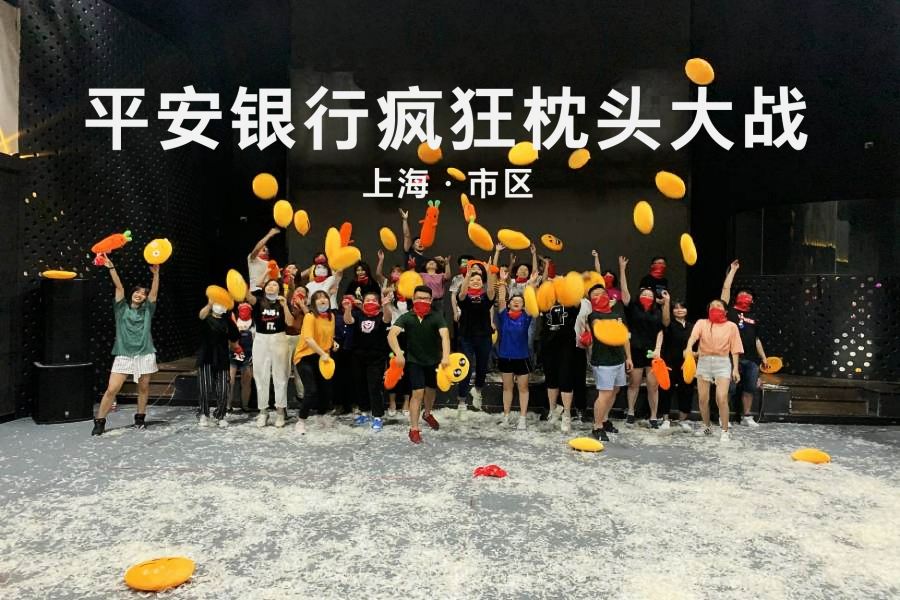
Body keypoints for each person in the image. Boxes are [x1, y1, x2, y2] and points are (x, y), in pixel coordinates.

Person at [91, 259, 160, 436]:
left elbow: (154, 294)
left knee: (143, 388)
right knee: (112, 389)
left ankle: (140, 418)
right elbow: (119, 287)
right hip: (124, 354)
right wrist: (111, 267)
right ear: (132, 294)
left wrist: (156, 275)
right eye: (137, 291)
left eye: (143, 293)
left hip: (145, 353)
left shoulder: (147, 310)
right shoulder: (121, 308)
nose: (140, 294)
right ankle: (100, 422)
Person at [387, 285, 451, 444]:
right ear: (413, 299)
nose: (422, 301)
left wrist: (445, 356)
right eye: (419, 298)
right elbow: (391, 335)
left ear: (431, 300)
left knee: (431, 390)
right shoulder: (406, 317)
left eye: (425, 298)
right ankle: (414, 429)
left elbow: (445, 336)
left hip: (433, 361)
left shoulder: (437, 317)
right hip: (414, 360)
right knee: (417, 392)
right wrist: (398, 353)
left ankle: (427, 414)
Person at [620, 255, 670, 428]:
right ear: (639, 295)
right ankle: (631, 412)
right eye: (644, 294)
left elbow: (664, 326)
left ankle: (653, 416)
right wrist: (622, 269)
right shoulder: (632, 307)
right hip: (635, 349)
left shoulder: (657, 311)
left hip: (653, 351)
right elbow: (624, 292)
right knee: (634, 383)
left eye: (650, 295)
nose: (647, 296)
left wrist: (667, 303)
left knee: (653, 385)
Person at [683, 300, 743, 442]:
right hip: (704, 361)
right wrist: (689, 347)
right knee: (703, 399)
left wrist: (735, 369)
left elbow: (735, 349)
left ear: (725, 311)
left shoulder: (731, 326)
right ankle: (707, 427)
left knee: (721, 398)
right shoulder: (701, 323)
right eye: (712, 306)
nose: (715, 308)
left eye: (718, 306)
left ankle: (725, 431)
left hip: (722, 363)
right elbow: (693, 337)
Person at [722, 259, 768, 427]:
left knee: (750, 388)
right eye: (742, 294)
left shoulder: (754, 317)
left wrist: (764, 357)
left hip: (751, 358)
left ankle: (746, 416)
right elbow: (726, 289)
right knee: (730, 388)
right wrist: (733, 270)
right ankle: (723, 415)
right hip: (731, 357)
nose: (745, 297)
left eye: (748, 296)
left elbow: (757, 339)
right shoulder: (728, 311)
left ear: (752, 300)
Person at [246, 277, 295, 428]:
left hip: (279, 338)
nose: (271, 287)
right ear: (264, 288)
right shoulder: (258, 301)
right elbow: (247, 295)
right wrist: (244, 283)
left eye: (275, 285)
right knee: (261, 376)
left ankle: (280, 412)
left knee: (281, 376)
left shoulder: (283, 302)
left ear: (279, 289)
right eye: (269, 285)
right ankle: (263, 412)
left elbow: (290, 322)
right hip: (261, 339)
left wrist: (285, 305)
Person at [584, 284, 631, 441]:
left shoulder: (617, 314)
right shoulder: (593, 316)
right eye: (595, 295)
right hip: (603, 361)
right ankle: (597, 426)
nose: (600, 297)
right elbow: (598, 328)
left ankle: (604, 419)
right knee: (604, 394)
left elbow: (625, 337)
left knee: (615, 390)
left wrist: (628, 357)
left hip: (619, 359)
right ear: (591, 300)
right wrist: (613, 325)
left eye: (602, 293)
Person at [540, 261, 581, 433]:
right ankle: (553, 410)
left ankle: (566, 414)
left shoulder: (571, 303)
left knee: (565, 380)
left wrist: (568, 283)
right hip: (548, 345)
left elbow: (577, 295)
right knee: (551, 379)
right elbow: (541, 288)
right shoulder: (546, 303)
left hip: (566, 346)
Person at [344, 289, 393, 431]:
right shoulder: (358, 314)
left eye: (373, 300)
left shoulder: (381, 315)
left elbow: (388, 319)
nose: (370, 302)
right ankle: (364, 412)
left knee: (374, 386)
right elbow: (348, 320)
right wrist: (348, 309)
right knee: (360, 384)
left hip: (376, 357)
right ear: (363, 302)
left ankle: (377, 416)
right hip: (358, 356)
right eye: (367, 300)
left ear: (378, 302)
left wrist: (386, 305)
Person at [455, 261, 497, 417]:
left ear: (482, 282)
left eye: (478, 279)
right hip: (466, 337)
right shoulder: (464, 298)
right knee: (466, 368)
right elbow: (461, 294)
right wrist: (467, 276)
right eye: (472, 279)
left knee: (482, 367)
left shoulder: (486, 297)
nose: (475, 281)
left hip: (484, 336)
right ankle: (461, 401)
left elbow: (491, 290)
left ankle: (478, 390)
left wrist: (489, 272)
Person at [293, 290, 337, 434]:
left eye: (325, 297)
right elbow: (308, 339)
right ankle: (301, 421)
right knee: (311, 390)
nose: (322, 300)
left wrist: (333, 343)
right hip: (305, 357)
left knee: (327, 390)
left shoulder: (331, 317)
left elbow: (329, 336)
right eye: (318, 298)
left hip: (322, 357)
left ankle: (321, 415)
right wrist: (323, 353)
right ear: (313, 303)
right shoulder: (310, 316)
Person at [495, 277, 534, 430]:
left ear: (524, 305)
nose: (517, 302)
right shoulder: (503, 315)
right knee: (507, 388)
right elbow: (501, 299)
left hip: (522, 357)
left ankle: (522, 418)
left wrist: (530, 285)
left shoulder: (526, 316)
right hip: (505, 357)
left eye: (520, 301)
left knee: (523, 388)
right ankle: (506, 416)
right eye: (514, 300)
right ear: (509, 304)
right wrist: (502, 282)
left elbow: (531, 299)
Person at [196, 298, 240, 428]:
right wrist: (209, 304)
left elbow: (235, 337)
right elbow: (201, 316)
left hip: (222, 358)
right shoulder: (206, 317)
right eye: (217, 303)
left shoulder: (227, 321)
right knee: (204, 387)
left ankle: (220, 415)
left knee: (223, 389)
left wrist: (232, 320)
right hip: (206, 357)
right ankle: (203, 414)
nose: (220, 306)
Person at [659, 299, 695, 432]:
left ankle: (683, 420)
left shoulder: (693, 326)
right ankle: (665, 419)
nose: (679, 310)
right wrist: (667, 302)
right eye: (676, 308)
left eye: (682, 307)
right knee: (666, 389)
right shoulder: (669, 324)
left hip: (687, 363)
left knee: (687, 390)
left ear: (687, 310)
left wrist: (693, 354)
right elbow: (665, 319)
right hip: (669, 362)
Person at [228, 303, 255, 413]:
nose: (244, 312)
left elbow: (257, 341)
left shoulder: (254, 324)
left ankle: (245, 405)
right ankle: (228, 405)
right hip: (234, 353)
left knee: (247, 381)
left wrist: (254, 356)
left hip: (247, 356)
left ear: (250, 311)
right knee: (230, 380)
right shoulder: (234, 322)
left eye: (247, 309)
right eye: (242, 310)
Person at [400, 208, 429, 272]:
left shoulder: (427, 261)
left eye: (422, 242)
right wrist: (405, 220)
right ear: (413, 246)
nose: (420, 243)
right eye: (417, 242)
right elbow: (407, 235)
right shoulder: (409, 252)